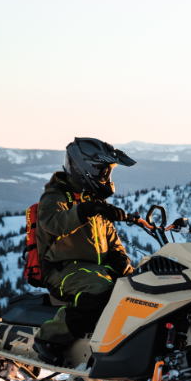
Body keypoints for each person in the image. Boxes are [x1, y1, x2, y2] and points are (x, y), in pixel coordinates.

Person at [32, 138, 138, 366]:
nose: (106, 177)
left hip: (95, 268)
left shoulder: (93, 200)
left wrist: (121, 261)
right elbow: (53, 223)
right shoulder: (56, 196)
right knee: (100, 291)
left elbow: (111, 240)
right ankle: (48, 338)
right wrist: (85, 210)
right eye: (102, 171)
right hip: (63, 269)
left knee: (138, 290)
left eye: (107, 172)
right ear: (84, 168)